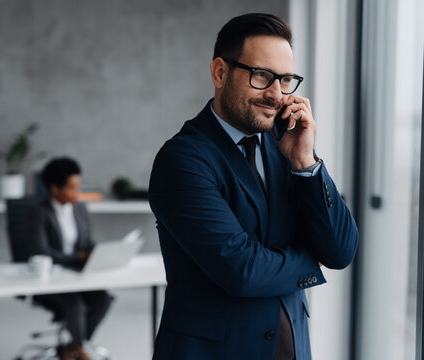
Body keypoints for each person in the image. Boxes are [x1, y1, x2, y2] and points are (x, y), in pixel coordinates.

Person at [148, 13, 358, 360]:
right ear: (220, 72)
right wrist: (310, 262)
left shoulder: (287, 145)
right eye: (262, 76)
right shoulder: (183, 158)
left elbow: (340, 251)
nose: (276, 94)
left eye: (286, 79)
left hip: (290, 348)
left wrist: (306, 164)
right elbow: (242, 271)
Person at [33, 157, 113, 360]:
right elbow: (43, 252)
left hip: (79, 274)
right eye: (72, 188)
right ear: (55, 189)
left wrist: (97, 253)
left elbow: (88, 243)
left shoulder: (80, 209)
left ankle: (74, 346)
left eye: (78, 187)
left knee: (103, 299)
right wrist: (78, 256)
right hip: (50, 279)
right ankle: (80, 350)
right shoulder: (39, 212)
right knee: (74, 303)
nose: (77, 193)